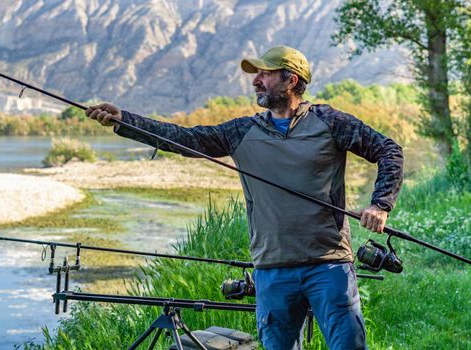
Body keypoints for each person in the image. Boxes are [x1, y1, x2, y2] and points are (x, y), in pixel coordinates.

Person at [85, 45, 403, 350]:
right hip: (272, 268)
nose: (255, 81)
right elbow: (182, 138)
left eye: (264, 74)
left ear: (291, 80)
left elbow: (388, 150)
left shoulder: (330, 122)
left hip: (330, 266)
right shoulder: (241, 131)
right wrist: (125, 121)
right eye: (256, 75)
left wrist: (381, 204)